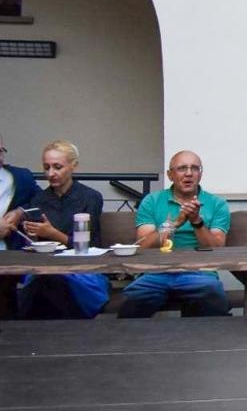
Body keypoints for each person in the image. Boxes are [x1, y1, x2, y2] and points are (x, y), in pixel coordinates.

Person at [121, 151, 232, 318]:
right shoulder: (152, 201)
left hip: (200, 272)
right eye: (182, 168)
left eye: (195, 168)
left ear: (200, 174)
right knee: (134, 298)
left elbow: (217, 248)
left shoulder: (217, 204)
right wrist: (174, 223)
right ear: (170, 175)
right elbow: (143, 245)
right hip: (156, 271)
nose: (189, 173)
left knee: (211, 292)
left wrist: (196, 221)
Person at [17, 140, 108, 318]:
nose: (51, 173)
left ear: (73, 166)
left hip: (83, 268)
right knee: (45, 280)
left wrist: (52, 234)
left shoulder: (90, 197)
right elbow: (38, 244)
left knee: (51, 283)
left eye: (57, 167)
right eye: (46, 167)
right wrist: (32, 233)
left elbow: (88, 246)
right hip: (46, 267)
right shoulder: (39, 200)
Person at [0, 131, 42, 247]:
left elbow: (43, 202)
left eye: (0, 151)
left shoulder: (21, 178)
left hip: (12, 254)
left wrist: (21, 212)